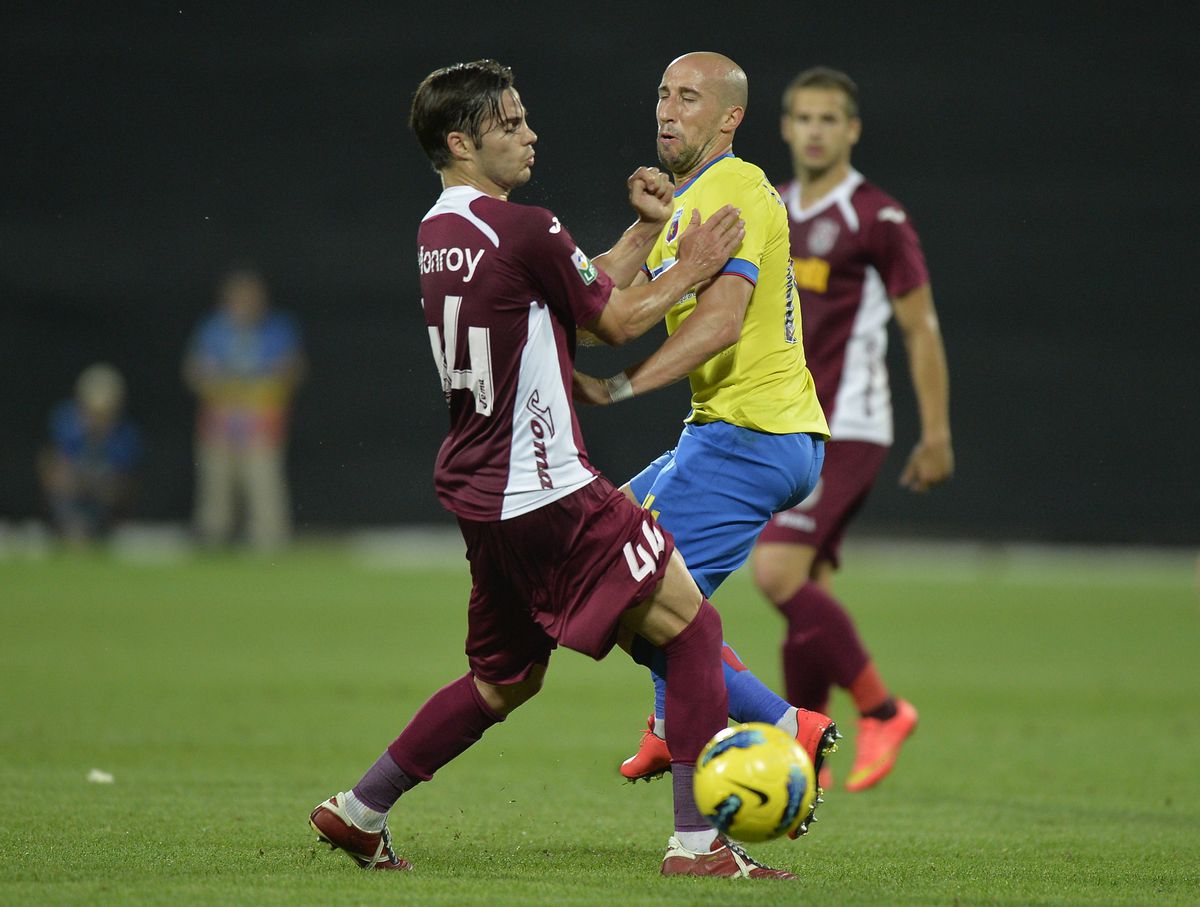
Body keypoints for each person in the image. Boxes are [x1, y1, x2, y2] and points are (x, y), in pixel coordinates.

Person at [309, 59, 799, 880]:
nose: (530, 133)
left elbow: (575, 286)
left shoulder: (441, 232)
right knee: (694, 627)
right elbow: (615, 318)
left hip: (480, 491)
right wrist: (696, 261)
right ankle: (698, 843)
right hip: (552, 492)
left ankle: (360, 809)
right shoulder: (524, 226)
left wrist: (645, 231)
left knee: (504, 680)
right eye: (510, 123)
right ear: (462, 141)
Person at [572, 52, 837, 832]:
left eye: (689, 99)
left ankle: (790, 730)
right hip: (727, 434)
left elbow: (721, 319)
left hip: (754, 436)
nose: (668, 111)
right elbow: (600, 302)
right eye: (661, 94)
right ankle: (668, 719)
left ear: (729, 119)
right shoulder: (683, 200)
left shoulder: (737, 190)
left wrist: (622, 388)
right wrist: (644, 228)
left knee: (621, 588)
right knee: (596, 556)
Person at [751, 66, 954, 792]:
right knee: (807, 588)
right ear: (783, 126)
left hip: (849, 425)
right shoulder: (768, 206)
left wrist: (936, 433)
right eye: (802, 117)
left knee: (774, 571)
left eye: (829, 118)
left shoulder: (879, 219)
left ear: (852, 129)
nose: (814, 130)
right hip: (784, 422)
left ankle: (883, 708)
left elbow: (920, 327)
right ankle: (810, 753)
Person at [182, 266, 305, 550]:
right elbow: (195, 371)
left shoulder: (276, 329)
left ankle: (269, 540)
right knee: (216, 485)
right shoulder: (213, 329)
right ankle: (212, 538)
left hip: (260, 419)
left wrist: (261, 388)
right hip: (220, 420)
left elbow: (292, 370)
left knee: (263, 483)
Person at [38, 363, 142, 544]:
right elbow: (50, 466)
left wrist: (100, 486)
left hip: (102, 496)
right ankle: (67, 528)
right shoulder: (65, 423)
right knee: (63, 481)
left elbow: (125, 482)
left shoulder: (125, 434)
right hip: (71, 493)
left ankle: (97, 529)